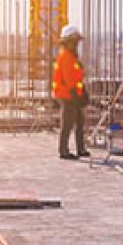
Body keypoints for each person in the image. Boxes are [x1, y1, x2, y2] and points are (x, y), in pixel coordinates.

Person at [52, 25, 90, 160]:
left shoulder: (72, 56)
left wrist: (82, 92)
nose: (75, 44)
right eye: (73, 41)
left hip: (73, 94)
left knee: (80, 121)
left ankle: (81, 148)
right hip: (67, 95)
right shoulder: (66, 57)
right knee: (67, 122)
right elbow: (68, 79)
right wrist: (76, 95)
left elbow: (77, 77)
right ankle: (63, 150)